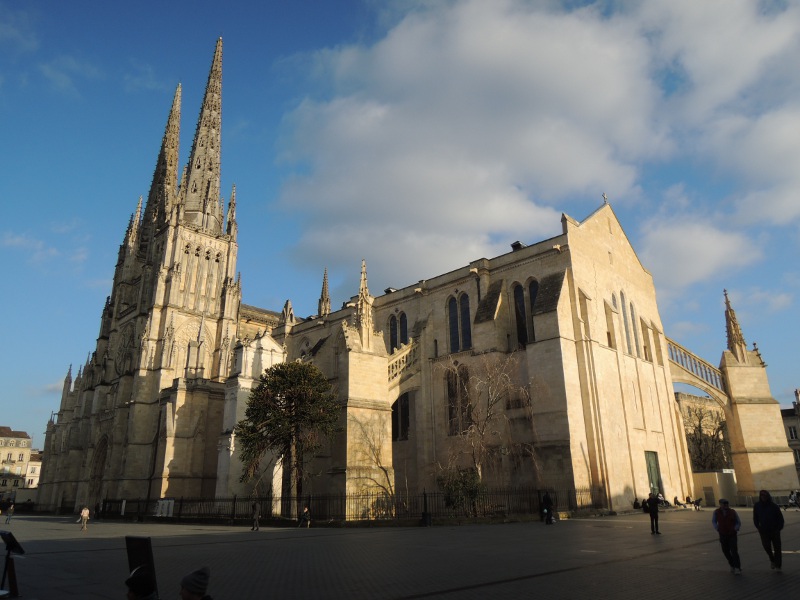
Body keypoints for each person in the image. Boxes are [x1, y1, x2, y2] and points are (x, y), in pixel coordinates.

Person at [753, 489, 784, 570]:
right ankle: (772, 558)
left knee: (777, 548)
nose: (763, 497)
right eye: (762, 495)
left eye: (765, 495)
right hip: (764, 531)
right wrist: (758, 527)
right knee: (766, 546)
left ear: (768, 496)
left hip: (774, 530)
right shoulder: (757, 506)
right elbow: (755, 518)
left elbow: (780, 518)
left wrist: (779, 528)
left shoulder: (774, 506)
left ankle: (778, 565)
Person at [712, 498, 742, 574]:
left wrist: (735, 528)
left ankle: (737, 567)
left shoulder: (732, 512)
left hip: (732, 534)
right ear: (720, 504)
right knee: (725, 551)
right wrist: (717, 528)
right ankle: (732, 564)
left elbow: (738, 522)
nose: (726, 505)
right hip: (723, 534)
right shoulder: (716, 512)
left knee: (734, 551)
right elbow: (714, 521)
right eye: (724, 504)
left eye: (727, 504)